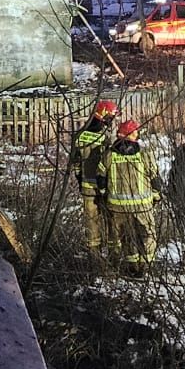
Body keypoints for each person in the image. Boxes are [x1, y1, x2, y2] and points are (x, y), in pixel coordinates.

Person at [103, 118, 165, 271]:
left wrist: (105, 197)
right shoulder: (144, 154)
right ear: (132, 134)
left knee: (127, 237)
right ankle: (145, 266)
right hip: (143, 206)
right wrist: (156, 196)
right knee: (147, 235)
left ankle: (132, 267)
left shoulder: (109, 155)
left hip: (118, 208)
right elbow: (156, 178)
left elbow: (100, 179)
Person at [72, 98, 118, 256]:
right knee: (112, 222)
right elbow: (111, 161)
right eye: (111, 116)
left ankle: (95, 259)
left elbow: (75, 162)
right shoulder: (105, 136)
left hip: (87, 187)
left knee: (91, 224)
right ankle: (113, 257)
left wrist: (80, 178)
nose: (112, 120)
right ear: (104, 114)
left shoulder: (80, 134)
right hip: (105, 187)